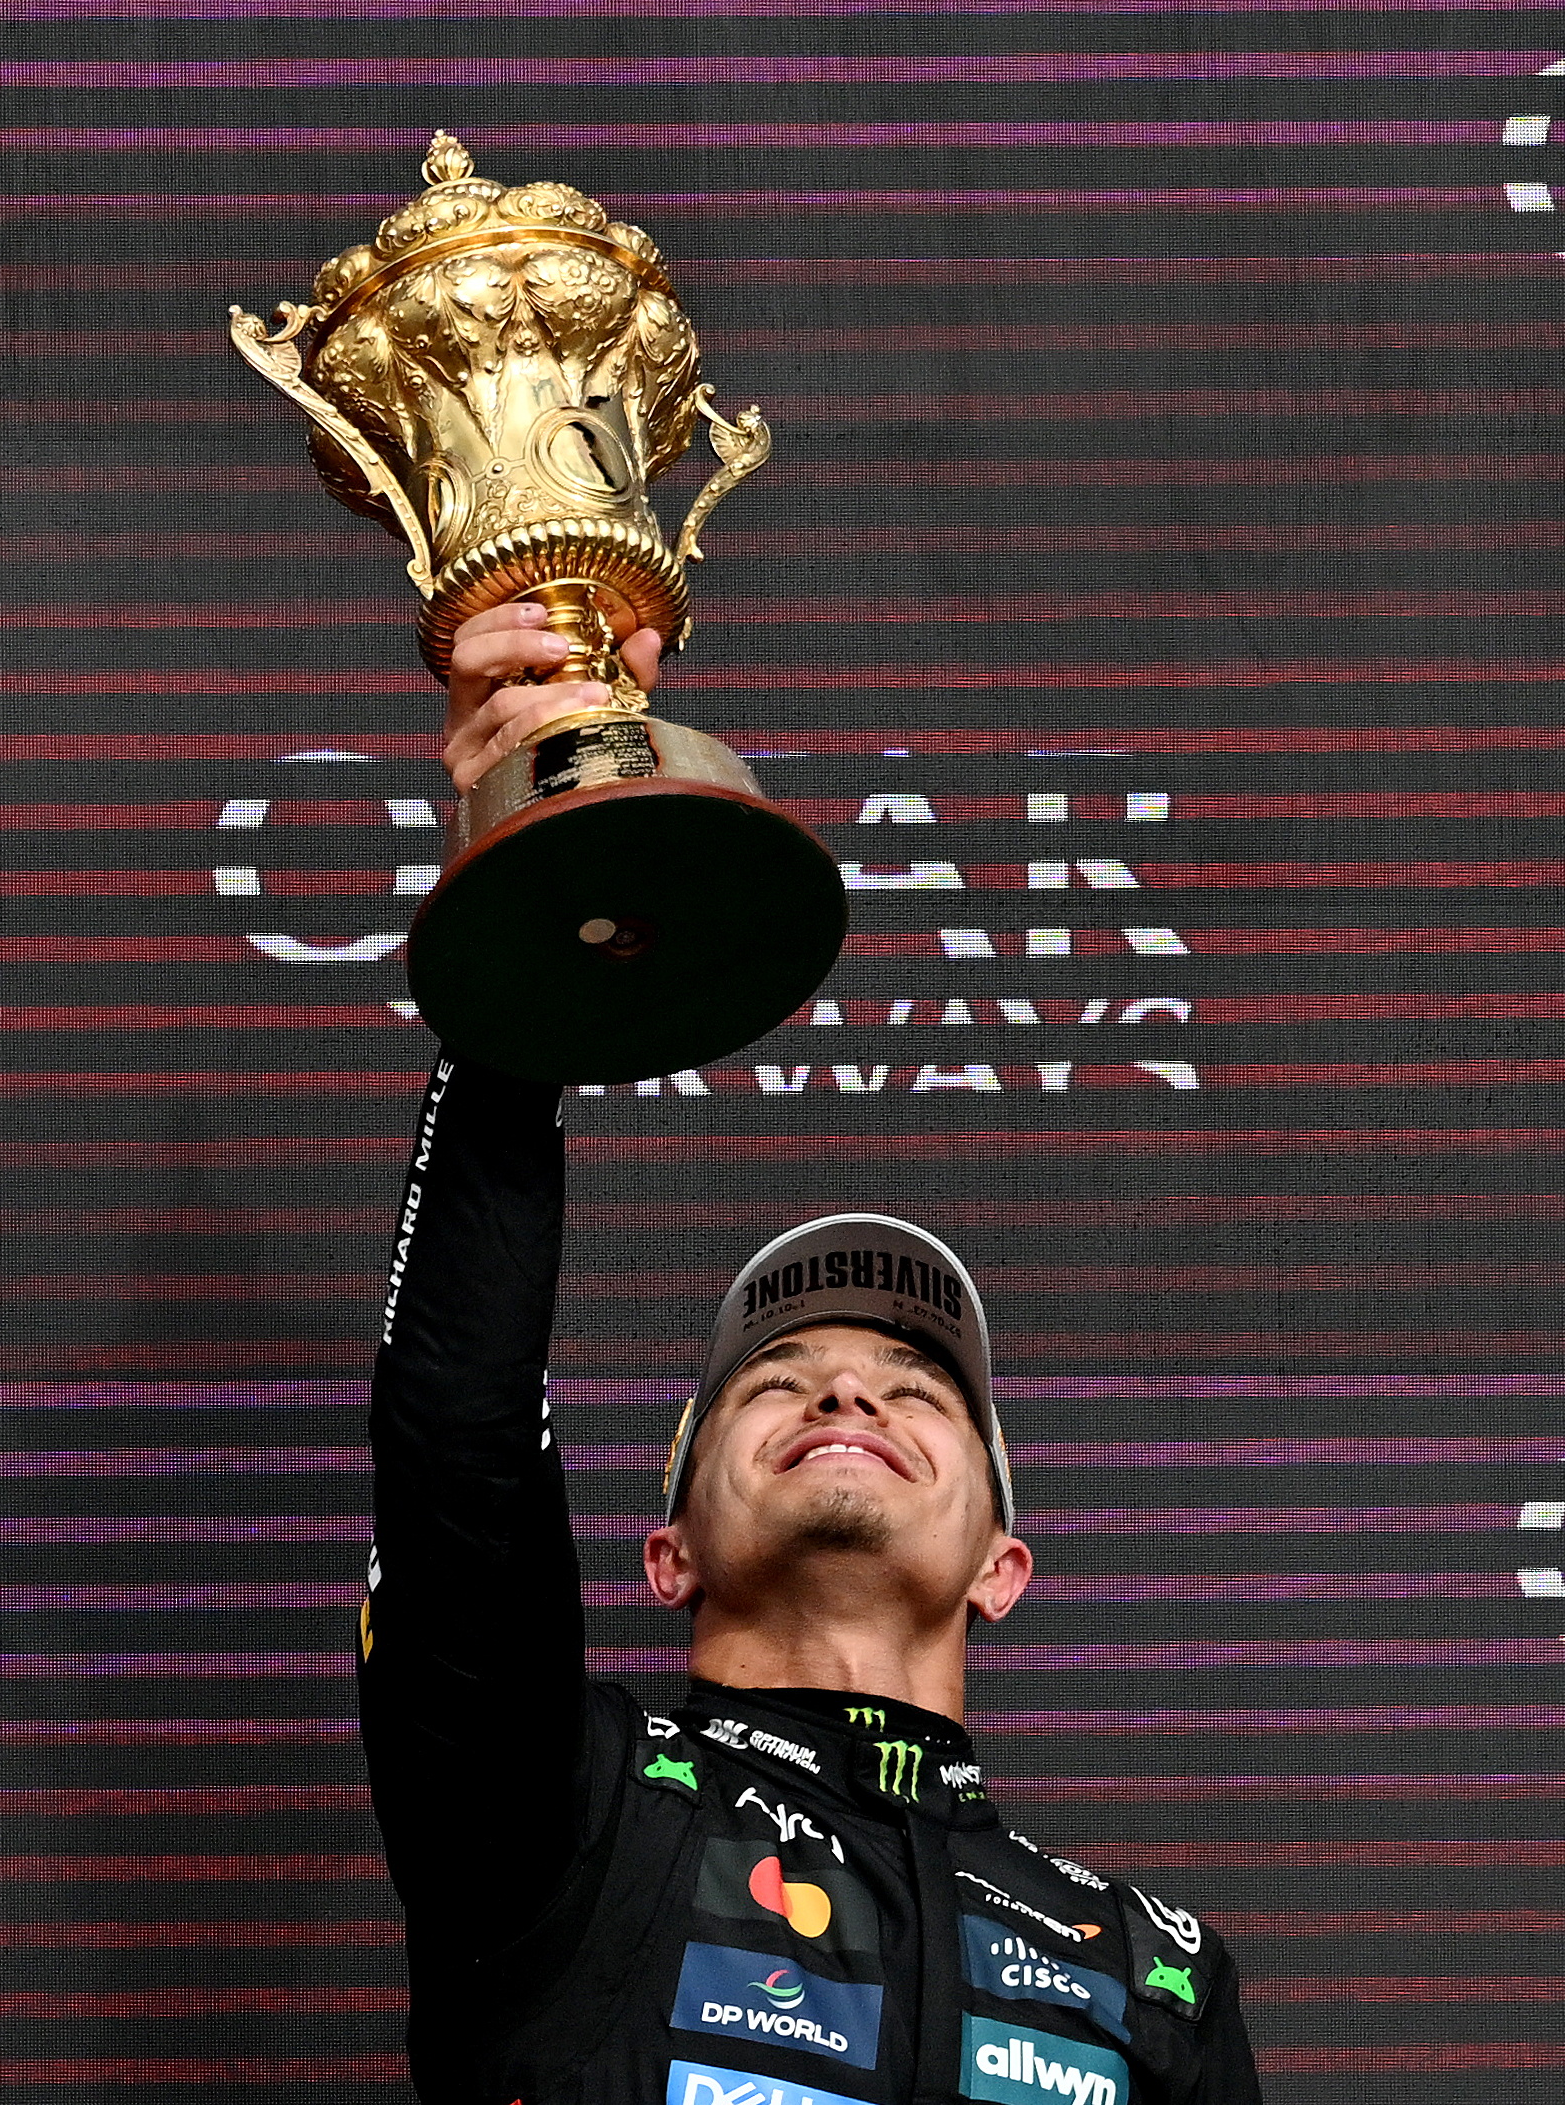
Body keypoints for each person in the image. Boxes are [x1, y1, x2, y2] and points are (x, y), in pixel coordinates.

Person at [354, 604, 1261, 2105]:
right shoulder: (566, 1806)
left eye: (917, 1394)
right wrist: (540, 880)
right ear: (665, 1554)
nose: (847, 1390)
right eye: (774, 1387)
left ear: (1002, 1564)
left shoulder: (1147, 1967)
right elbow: (455, 1445)